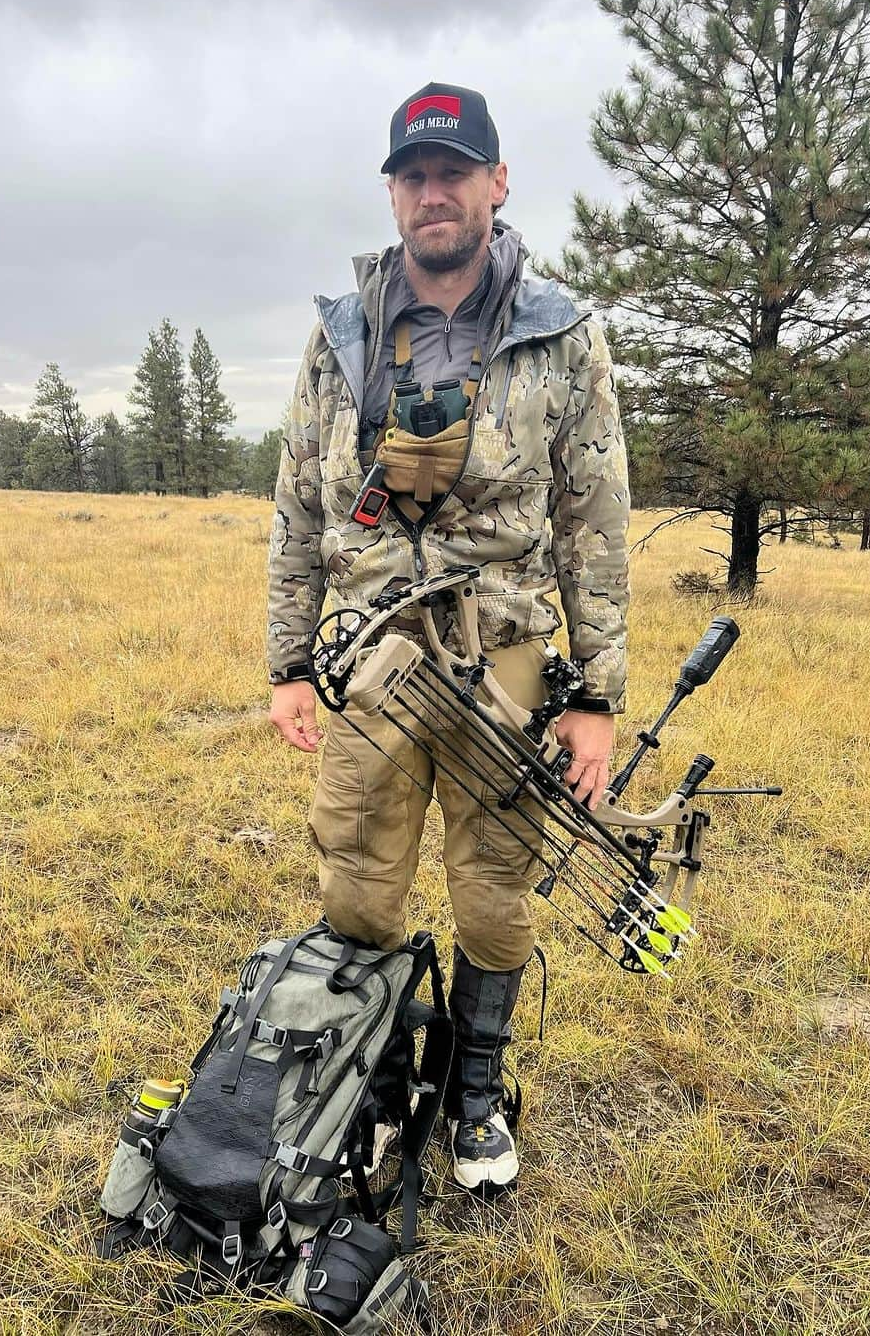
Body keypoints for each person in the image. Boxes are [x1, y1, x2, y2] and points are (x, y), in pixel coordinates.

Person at [266, 82, 630, 1192]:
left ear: (496, 183)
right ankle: (372, 1081)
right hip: (371, 659)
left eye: (456, 172)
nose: (435, 193)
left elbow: (595, 523)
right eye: (415, 175)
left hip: (504, 656)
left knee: (492, 889)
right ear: (392, 193)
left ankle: (475, 1093)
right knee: (361, 882)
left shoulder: (562, 335)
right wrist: (288, 661)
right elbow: (295, 510)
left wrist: (594, 697)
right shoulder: (341, 334)